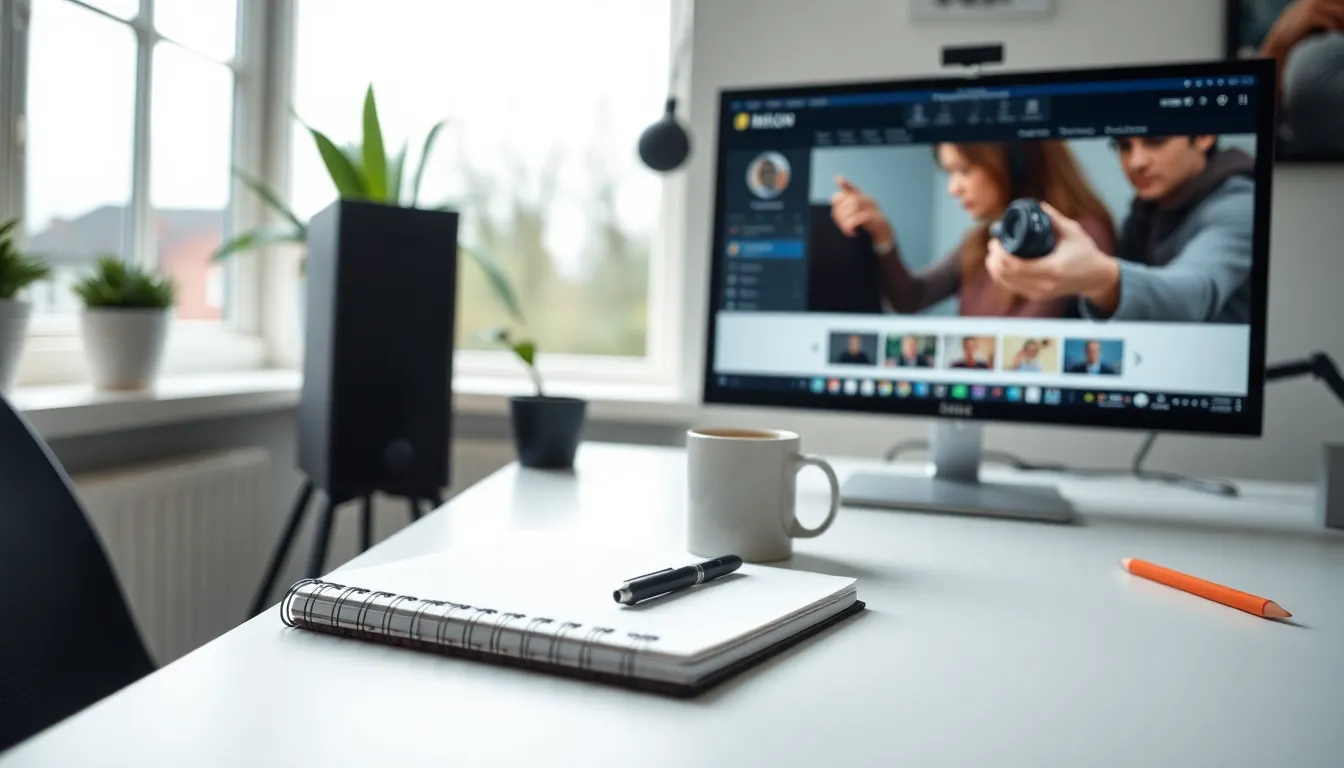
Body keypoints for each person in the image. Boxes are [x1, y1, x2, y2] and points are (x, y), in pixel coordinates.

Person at [829, 141, 1116, 318]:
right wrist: (883, 237)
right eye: (950, 173)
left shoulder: (1080, 238)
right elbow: (911, 297)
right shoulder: (981, 240)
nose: (954, 189)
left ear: (1015, 162)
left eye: (964, 171)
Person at [984, 136, 1256, 324]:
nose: (1136, 162)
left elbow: (1194, 292)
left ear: (1204, 135)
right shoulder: (1144, 214)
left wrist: (1101, 279)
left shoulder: (1238, 205)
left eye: (1156, 141)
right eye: (1124, 145)